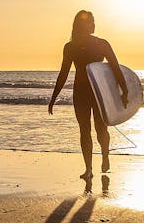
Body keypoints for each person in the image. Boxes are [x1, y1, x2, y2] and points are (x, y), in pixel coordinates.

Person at [49, 10, 128, 181]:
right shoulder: (70, 47)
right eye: (89, 21)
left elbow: (115, 67)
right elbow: (63, 73)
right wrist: (54, 97)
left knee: (101, 129)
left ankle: (105, 155)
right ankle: (88, 169)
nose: (92, 24)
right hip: (80, 92)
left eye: (92, 21)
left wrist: (125, 90)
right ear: (80, 25)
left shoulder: (102, 44)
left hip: (99, 92)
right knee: (84, 130)